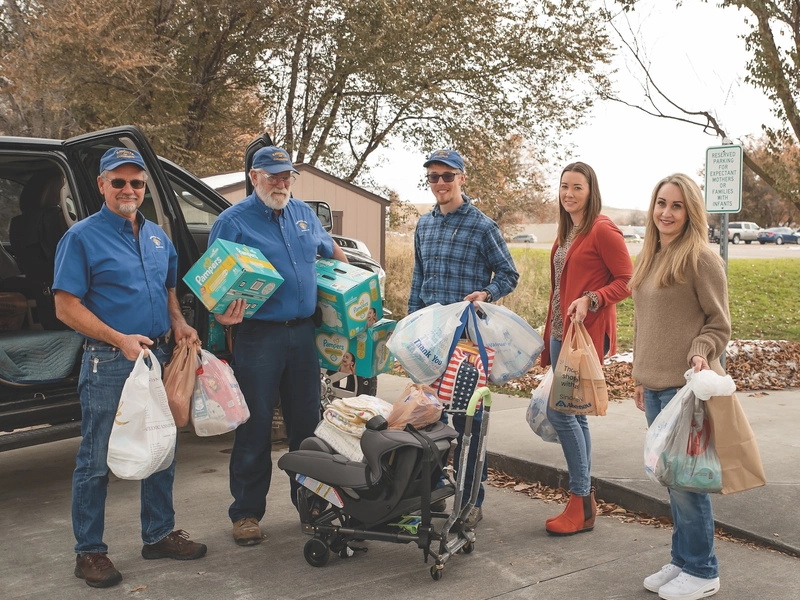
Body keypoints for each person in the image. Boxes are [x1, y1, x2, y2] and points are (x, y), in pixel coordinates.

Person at [53, 148, 207, 589]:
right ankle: (90, 552)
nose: (128, 190)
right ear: (101, 185)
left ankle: (158, 534)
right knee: (96, 459)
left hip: (156, 357)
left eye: (136, 183)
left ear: (144, 188)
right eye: (118, 182)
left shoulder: (158, 236)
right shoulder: (81, 238)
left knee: (162, 448)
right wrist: (117, 338)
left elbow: (168, 288)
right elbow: (65, 307)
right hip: (110, 360)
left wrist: (178, 323)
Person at [209, 146, 348, 546]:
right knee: (253, 428)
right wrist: (222, 315)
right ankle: (246, 513)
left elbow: (331, 252)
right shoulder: (231, 222)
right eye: (273, 176)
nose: (281, 183)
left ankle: (311, 505)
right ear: (254, 177)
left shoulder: (303, 214)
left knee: (307, 426)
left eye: (286, 176)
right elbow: (213, 286)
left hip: (303, 334)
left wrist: (353, 284)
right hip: (258, 337)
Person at [408, 149, 519, 528]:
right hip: (430, 341)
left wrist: (486, 294)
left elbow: (508, 274)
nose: (440, 183)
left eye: (447, 176)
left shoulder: (481, 226)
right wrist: (409, 330)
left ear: (461, 178)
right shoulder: (424, 225)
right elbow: (418, 281)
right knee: (426, 419)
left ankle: (472, 499)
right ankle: (436, 490)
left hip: (468, 343)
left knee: (469, 424)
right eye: (433, 177)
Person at [630, 174, 729, 600]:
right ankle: (683, 561)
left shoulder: (702, 259)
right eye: (661, 204)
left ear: (691, 212)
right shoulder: (650, 256)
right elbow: (645, 324)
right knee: (673, 482)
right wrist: (639, 377)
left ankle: (704, 571)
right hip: (655, 388)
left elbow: (719, 323)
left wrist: (701, 349)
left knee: (689, 487)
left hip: (685, 390)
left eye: (676, 206)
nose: (666, 213)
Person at [541, 161, 633, 536]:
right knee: (574, 415)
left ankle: (580, 500)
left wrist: (593, 299)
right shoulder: (569, 230)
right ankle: (585, 504)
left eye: (577, 187)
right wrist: (547, 337)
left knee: (561, 413)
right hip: (562, 335)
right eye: (564, 186)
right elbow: (558, 288)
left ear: (591, 191)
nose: (569, 194)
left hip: (583, 337)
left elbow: (627, 281)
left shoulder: (602, 229)